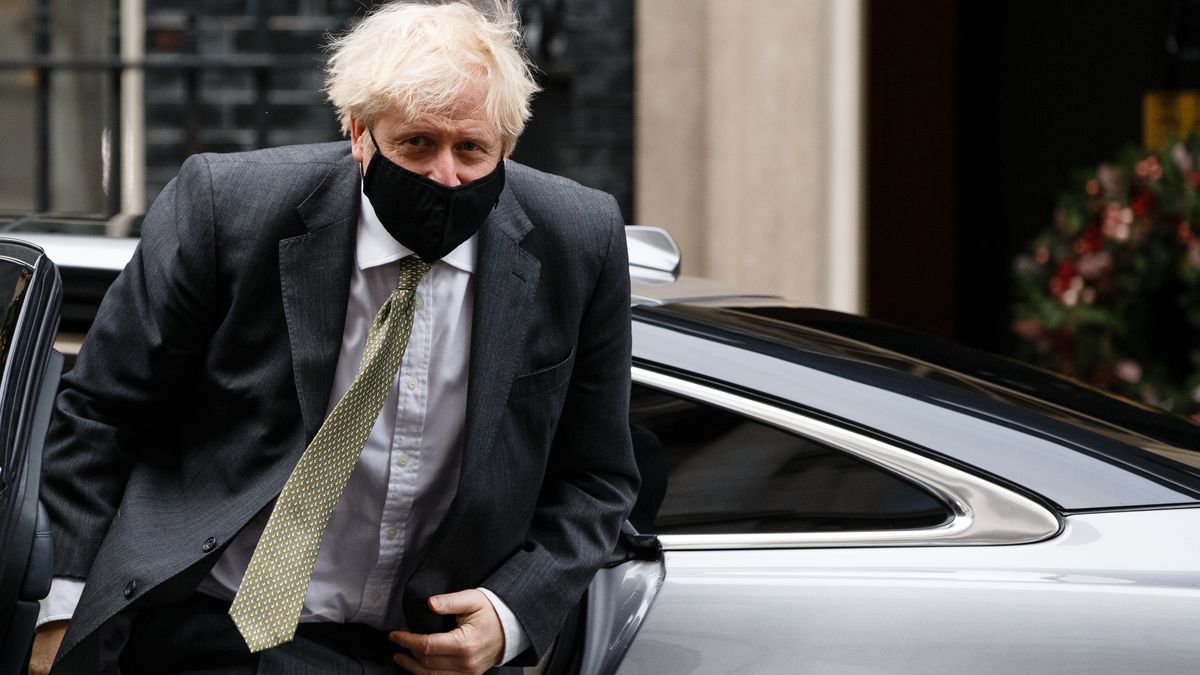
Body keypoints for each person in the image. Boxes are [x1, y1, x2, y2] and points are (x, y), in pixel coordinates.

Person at [29, 1, 639, 673]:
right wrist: (60, 611)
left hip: (425, 649)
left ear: (506, 147)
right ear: (358, 133)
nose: (445, 176)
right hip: (215, 630)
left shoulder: (578, 241)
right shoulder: (227, 208)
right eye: (417, 143)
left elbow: (597, 477)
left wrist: (510, 613)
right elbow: (102, 411)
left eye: (470, 149)